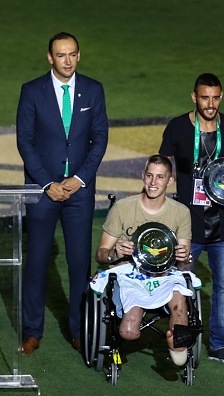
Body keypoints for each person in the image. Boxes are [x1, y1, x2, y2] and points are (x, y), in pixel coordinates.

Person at [16, 32, 108, 355]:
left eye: (72, 54)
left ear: (79, 56)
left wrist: (80, 179)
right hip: (42, 192)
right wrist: (47, 183)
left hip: (80, 193)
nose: (67, 60)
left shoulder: (94, 90)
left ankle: (80, 330)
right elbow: (25, 142)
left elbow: (100, 139)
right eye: (60, 55)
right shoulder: (31, 92)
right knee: (37, 262)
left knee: (79, 263)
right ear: (50, 58)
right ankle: (32, 330)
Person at [159, 73, 224, 365]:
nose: (210, 104)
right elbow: (162, 166)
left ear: (221, 97)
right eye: (204, 97)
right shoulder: (177, 127)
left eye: (215, 98)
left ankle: (219, 345)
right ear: (194, 97)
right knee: (177, 286)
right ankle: (180, 341)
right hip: (188, 225)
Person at [93, 154, 197, 366]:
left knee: (179, 293)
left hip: (166, 274)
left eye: (160, 177)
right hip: (129, 273)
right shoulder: (122, 208)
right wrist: (115, 252)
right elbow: (101, 254)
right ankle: (134, 327)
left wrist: (185, 257)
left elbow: (185, 266)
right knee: (129, 333)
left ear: (170, 181)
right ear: (143, 176)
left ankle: (178, 346)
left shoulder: (181, 213)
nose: (153, 182)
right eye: (149, 176)